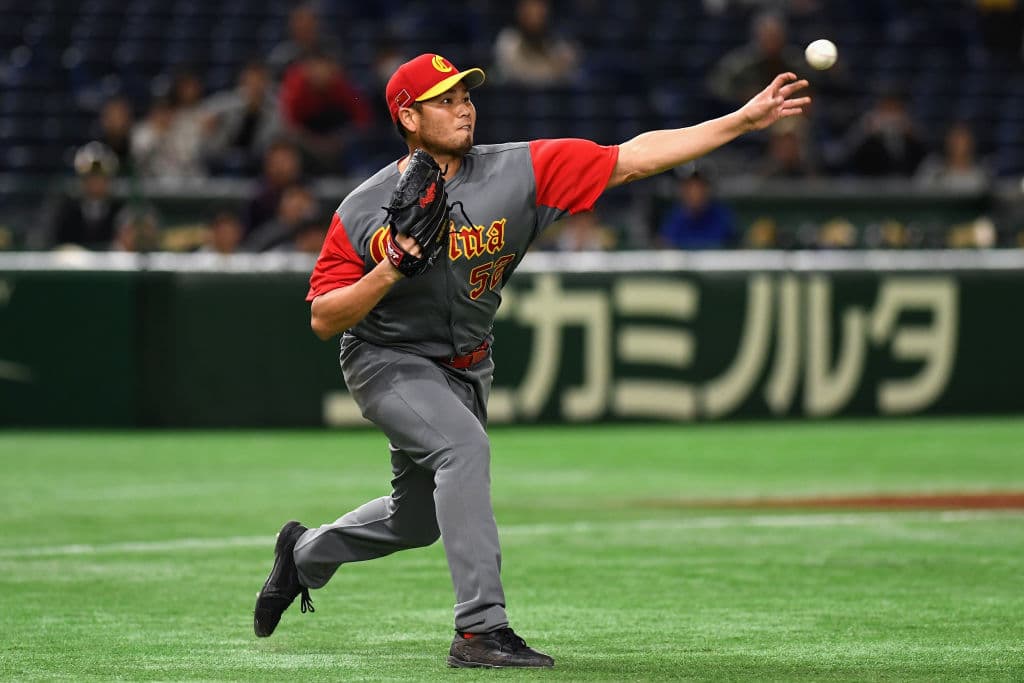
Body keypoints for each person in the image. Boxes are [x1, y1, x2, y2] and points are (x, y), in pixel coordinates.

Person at [252, 52, 809, 669]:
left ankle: (303, 555)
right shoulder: (364, 208)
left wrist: (742, 120)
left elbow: (632, 157)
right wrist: (390, 268)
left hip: (467, 365)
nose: (463, 108)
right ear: (408, 116)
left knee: (416, 521)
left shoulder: (520, 171)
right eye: (444, 100)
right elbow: (324, 317)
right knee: (463, 450)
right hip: (387, 358)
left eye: (466, 95)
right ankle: (479, 631)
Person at [707, 10, 806, 106]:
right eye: (767, 37)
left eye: (775, 37)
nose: (772, 42)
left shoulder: (794, 60)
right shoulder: (740, 62)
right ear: (758, 37)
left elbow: (809, 85)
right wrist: (741, 96)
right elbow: (717, 85)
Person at [201, 61, 281, 174]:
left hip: (258, 158)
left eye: (259, 81)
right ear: (244, 82)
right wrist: (210, 118)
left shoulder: (275, 108)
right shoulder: (232, 102)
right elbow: (208, 107)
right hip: (225, 154)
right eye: (251, 81)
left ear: (267, 83)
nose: (255, 86)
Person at [40, 141, 124, 250]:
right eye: (90, 177)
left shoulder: (120, 210)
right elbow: (51, 240)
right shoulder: (66, 208)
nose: (95, 183)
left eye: (100, 177)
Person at [492, 0, 580, 87]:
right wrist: (552, 69)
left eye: (539, 9)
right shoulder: (508, 40)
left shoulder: (558, 43)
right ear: (520, 11)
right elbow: (515, 74)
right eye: (529, 9)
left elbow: (570, 74)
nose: (534, 14)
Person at [658, 164, 737, 249]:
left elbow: (736, 246)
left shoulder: (723, 217)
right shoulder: (674, 219)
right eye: (690, 188)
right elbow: (664, 244)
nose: (694, 193)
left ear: (707, 189)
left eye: (699, 187)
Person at [914, 121, 991, 192]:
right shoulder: (932, 170)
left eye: (962, 138)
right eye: (954, 138)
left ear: (971, 142)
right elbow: (918, 194)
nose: (957, 143)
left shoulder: (981, 175)